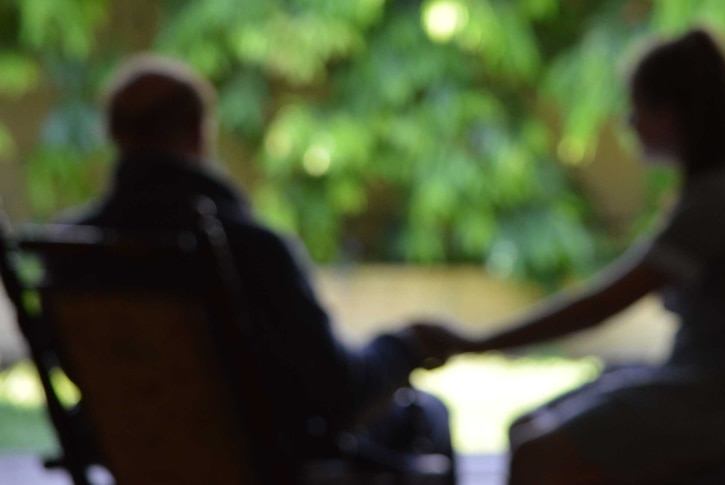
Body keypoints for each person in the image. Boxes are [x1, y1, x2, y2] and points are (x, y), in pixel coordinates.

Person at [413, 28, 725, 484]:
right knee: (528, 430)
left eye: (638, 108)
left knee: (536, 454)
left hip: (719, 407)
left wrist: (476, 342)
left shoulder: (718, 201)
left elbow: (600, 305)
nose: (629, 122)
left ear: (672, 115)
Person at [51, 55, 453, 475]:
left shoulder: (73, 250)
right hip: (272, 463)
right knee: (428, 416)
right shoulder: (249, 248)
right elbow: (336, 393)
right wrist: (403, 345)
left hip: (138, 459)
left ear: (114, 134)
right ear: (198, 132)